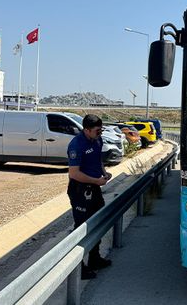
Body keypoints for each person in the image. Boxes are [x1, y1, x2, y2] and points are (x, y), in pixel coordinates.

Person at [67, 114, 112, 280]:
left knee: (98, 223)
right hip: (80, 190)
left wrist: (104, 173)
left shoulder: (97, 140)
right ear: (86, 130)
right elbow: (74, 173)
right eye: (97, 130)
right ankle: (79, 267)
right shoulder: (76, 145)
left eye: (101, 130)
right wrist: (96, 181)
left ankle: (94, 258)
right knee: (81, 228)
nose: (100, 133)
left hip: (94, 187)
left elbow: (97, 160)